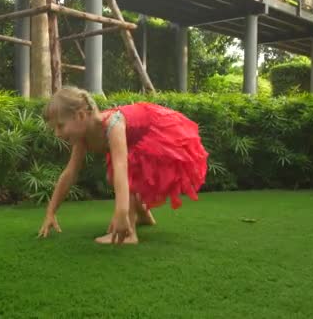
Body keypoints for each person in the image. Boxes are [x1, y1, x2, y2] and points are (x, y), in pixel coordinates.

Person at [37, 86, 209, 244]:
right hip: (137, 140)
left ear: (81, 116)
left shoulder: (113, 124)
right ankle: (143, 215)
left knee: (125, 171)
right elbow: (70, 174)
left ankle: (129, 233)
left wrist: (121, 212)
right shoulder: (82, 137)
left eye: (60, 126)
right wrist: (50, 212)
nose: (57, 134)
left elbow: (121, 169)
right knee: (120, 173)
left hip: (157, 131)